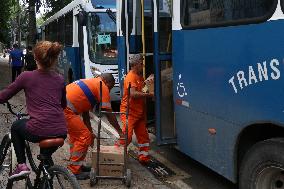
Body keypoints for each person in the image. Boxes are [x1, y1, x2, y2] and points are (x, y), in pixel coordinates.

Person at [0, 41, 67, 180]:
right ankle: (47, 175)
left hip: (39, 128)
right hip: (61, 130)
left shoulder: (26, 76)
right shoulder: (60, 79)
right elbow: (63, 105)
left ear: (36, 58)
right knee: (45, 157)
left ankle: (22, 165)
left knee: (16, 126)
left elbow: (5, 95)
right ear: (54, 59)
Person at [64, 73, 122, 180]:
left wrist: (90, 132)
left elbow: (86, 115)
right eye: (110, 88)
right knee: (84, 137)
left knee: (77, 138)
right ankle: (73, 171)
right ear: (107, 82)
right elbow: (109, 113)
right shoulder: (102, 86)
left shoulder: (90, 83)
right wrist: (120, 131)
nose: (108, 91)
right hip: (66, 111)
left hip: (63, 109)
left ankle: (77, 165)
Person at [116, 54, 154, 164]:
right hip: (129, 112)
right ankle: (115, 155)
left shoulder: (139, 77)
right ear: (136, 64)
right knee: (127, 136)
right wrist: (149, 95)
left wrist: (148, 82)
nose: (143, 65)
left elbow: (142, 90)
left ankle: (144, 158)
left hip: (138, 112)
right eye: (141, 63)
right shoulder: (131, 77)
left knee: (143, 137)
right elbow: (133, 94)